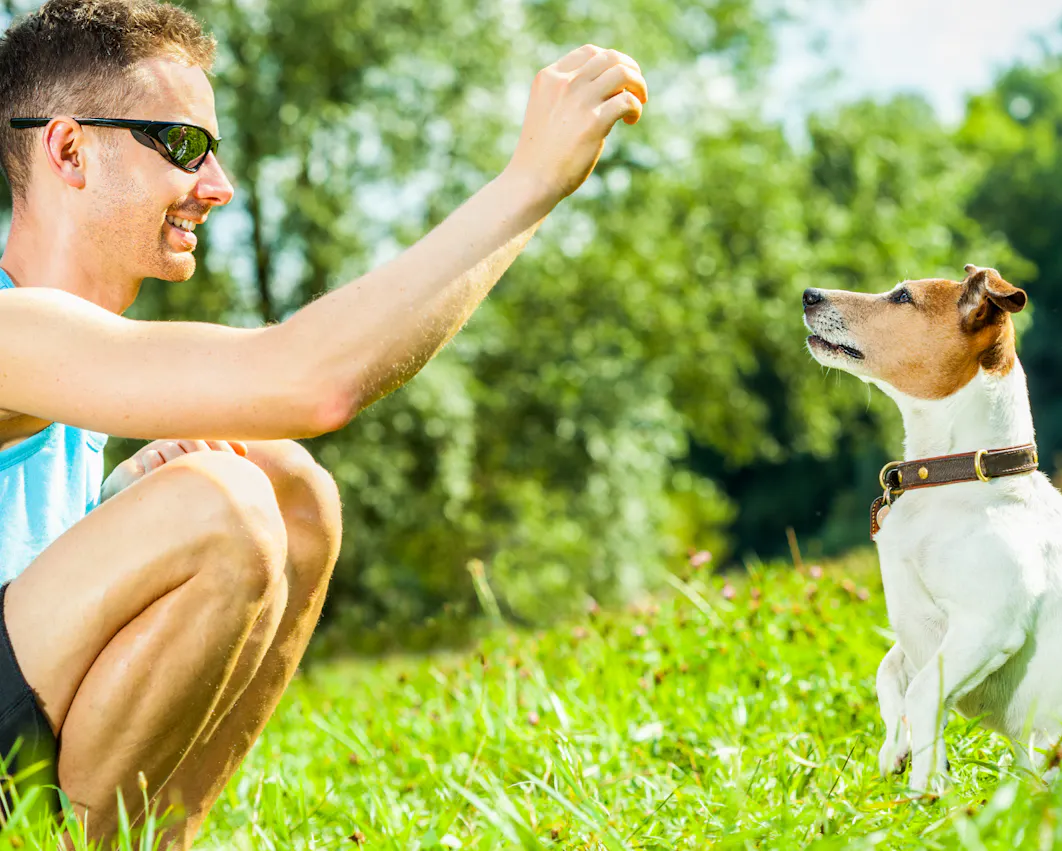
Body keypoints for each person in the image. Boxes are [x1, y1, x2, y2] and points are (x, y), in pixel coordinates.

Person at [0, 0, 648, 845]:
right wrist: (528, 183)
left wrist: (120, 497)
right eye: (184, 145)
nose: (217, 186)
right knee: (219, 504)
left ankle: (153, 839)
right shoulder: (13, 332)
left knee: (288, 488)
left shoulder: (74, 381)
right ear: (69, 149)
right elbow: (312, 381)